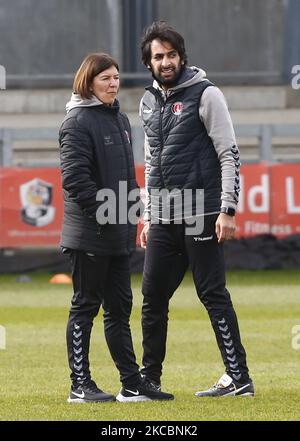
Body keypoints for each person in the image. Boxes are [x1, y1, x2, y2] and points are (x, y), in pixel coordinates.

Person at [139, 21, 254, 397]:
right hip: (163, 215)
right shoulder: (147, 101)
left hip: (202, 211)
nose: (166, 61)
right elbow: (151, 161)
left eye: (171, 55)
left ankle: (239, 378)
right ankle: (149, 380)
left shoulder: (207, 95)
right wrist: (148, 213)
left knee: (212, 294)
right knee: (152, 296)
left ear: (181, 56)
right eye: (159, 56)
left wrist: (228, 210)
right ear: (149, 61)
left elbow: (229, 153)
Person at [59, 52, 173, 403]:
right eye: (105, 78)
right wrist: (109, 215)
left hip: (118, 234)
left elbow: (127, 178)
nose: (113, 83)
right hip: (91, 234)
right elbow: (75, 181)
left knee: (120, 310)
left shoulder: (120, 120)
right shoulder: (76, 122)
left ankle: (131, 383)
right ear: (88, 82)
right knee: (85, 307)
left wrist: (137, 213)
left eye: (116, 77)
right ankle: (80, 385)